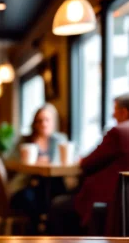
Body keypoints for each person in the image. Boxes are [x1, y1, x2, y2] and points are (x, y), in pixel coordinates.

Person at [50, 93, 129, 235]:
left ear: (124, 112)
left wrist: (82, 160)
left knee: (58, 204)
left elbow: (88, 164)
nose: (112, 115)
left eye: (115, 110)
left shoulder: (119, 132)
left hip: (109, 199)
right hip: (122, 200)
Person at [9, 103, 68, 234]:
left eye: (47, 120)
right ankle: (36, 231)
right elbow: (11, 162)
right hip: (27, 184)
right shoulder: (25, 141)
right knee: (30, 199)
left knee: (57, 195)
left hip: (52, 183)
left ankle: (50, 231)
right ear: (35, 123)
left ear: (53, 122)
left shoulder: (60, 140)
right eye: (40, 120)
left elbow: (68, 160)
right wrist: (31, 162)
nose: (43, 124)